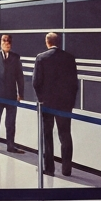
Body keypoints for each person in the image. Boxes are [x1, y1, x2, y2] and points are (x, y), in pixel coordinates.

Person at [33, 32, 78, 177]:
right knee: (65, 135)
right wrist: (70, 102)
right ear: (59, 42)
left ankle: (49, 168)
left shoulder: (41, 58)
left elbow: (36, 82)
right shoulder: (70, 58)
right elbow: (74, 84)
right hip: (65, 104)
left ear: (47, 42)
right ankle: (66, 169)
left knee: (47, 135)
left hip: (47, 104)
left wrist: (41, 99)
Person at [0, 34, 25, 153]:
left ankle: (11, 146)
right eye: (4, 40)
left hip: (11, 95)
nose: (6, 43)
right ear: (0, 42)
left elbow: (20, 77)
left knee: (11, 122)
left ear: (11, 43)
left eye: (8, 41)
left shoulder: (16, 58)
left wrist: (20, 93)